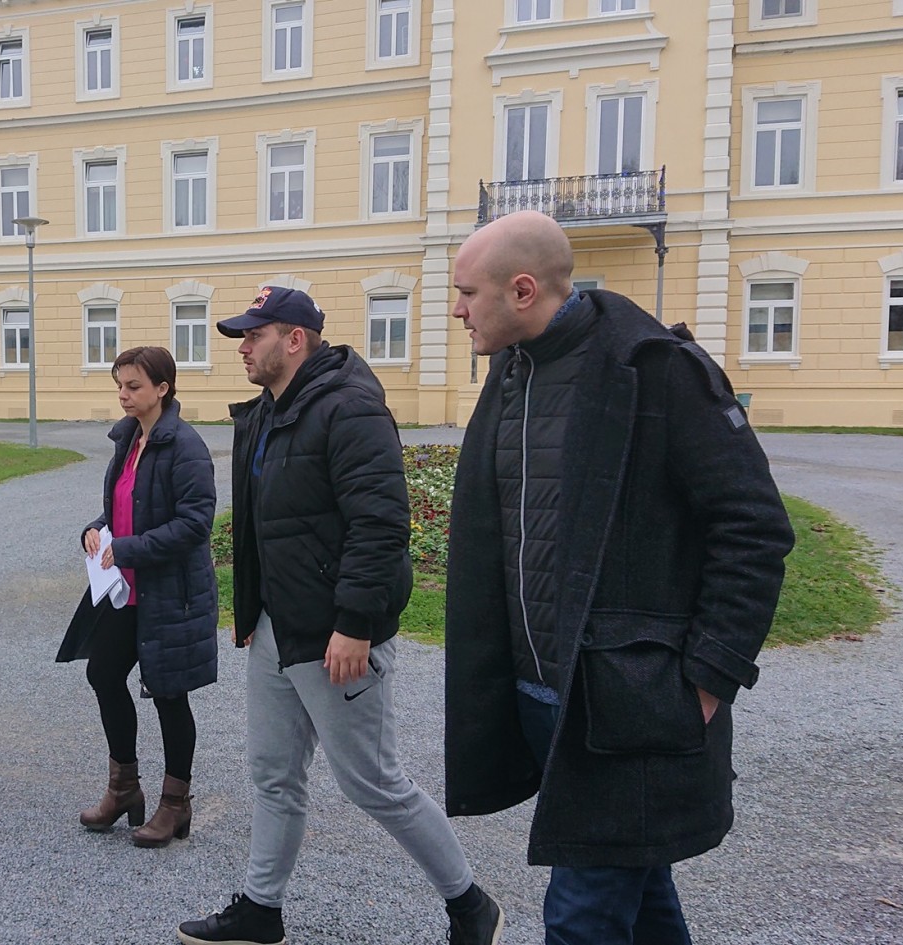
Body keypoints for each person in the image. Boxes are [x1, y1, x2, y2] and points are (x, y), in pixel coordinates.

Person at [443, 210, 795, 944]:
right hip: (543, 696)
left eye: (467, 292)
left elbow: (754, 527)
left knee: (581, 918)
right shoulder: (511, 371)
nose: (457, 310)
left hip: (633, 703)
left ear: (523, 290)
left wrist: (709, 677)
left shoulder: (656, 369)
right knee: (643, 897)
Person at [177, 288, 504, 945]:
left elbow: (380, 525)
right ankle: (261, 910)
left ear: (295, 339)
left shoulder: (350, 407)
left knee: (374, 782)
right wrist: (252, 610)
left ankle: (471, 905)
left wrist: (355, 623)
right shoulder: (268, 411)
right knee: (273, 774)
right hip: (278, 629)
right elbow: (262, 527)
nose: (243, 347)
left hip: (337, 635)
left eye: (254, 335)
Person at [63, 345, 220, 848]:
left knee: (169, 694)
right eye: (120, 385)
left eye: (133, 386)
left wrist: (129, 547)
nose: (123, 395)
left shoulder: (186, 446)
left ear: (163, 388)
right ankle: (124, 788)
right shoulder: (128, 439)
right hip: (126, 591)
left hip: (170, 594)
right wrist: (96, 529)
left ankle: (175, 805)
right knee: (103, 674)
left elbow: (195, 525)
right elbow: (121, 507)